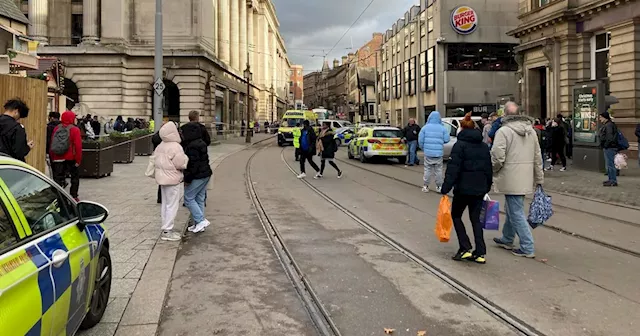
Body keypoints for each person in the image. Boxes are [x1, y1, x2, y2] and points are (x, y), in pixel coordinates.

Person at [490, 102, 544, 258]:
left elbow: (497, 156)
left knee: (516, 211)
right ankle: (507, 238)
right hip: (525, 176)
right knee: (512, 208)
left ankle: (527, 246)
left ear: (504, 115)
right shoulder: (531, 131)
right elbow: (537, 156)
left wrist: (493, 170)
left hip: (510, 175)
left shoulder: (503, 131)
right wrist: (539, 178)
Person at [440, 113, 492, 264]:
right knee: (475, 219)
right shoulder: (483, 146)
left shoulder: (460, 145)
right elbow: (488, 168)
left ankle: (465, 248)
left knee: (456, 215)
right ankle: (480, 252)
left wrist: (445, 187)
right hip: (479, 188)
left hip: (463, 189)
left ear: (461, 128)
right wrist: (486, 186)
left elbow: (453, 169)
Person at [154, 122, 189, 241]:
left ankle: (165, 227)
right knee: (172, 205)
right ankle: (167, 230)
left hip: (162, 178)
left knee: (165, 204)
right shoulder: (175, 146)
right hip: (173, 178)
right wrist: (186, 160)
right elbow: (180, 164)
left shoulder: (161, 145)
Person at [181, 111, 213, 234]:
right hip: (205, 173)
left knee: (188, 198)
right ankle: (198, 224)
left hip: (199, 174)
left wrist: (187, 180)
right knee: (199, 198)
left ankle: (200, 221)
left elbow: (192, 165)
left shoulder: (191, 146)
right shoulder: (201, 142)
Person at [50, 111, 83, 201]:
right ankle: (74, 195)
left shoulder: (57, 128)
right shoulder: (75, 129)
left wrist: (53, 157)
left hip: (57, 157)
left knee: (58, 178)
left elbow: (52, 143)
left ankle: (58, 196)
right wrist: (78, 160)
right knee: (74, 177)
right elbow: (78, 146)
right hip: (70, 158)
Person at [418, 111, 450, 193]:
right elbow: (447, 139)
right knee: (438, 170)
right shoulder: (443, 128)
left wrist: (423, 148)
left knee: (427, 170)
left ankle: (425, 186)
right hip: (438, 153)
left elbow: (420, 140)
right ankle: (439, 186)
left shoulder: (425, 128)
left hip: (428, 153)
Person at [599, 112, 619, 187]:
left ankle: (613, 180)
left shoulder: (609, 125)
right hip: (609, 147)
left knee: (610, 164)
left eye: (601, 117)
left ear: (605, 118)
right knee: (609, 164)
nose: (600, 119)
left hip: (610, 147)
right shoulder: (609, 124)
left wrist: (606, 145)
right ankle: (611, 179)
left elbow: (609, 137)